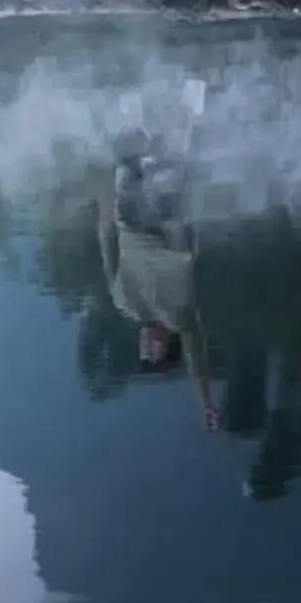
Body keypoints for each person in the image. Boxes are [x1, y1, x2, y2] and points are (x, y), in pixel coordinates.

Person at [100, 76, 217, 429]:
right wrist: (206, 405)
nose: (146, 344)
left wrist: (103, 217)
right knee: (175, 164)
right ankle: (193, 93)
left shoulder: (123, 303)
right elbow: (198, 363)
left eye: (143, 350)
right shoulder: (182, 321)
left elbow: (108, 254)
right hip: (168, 227)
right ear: (169, 344)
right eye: (154, 351)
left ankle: (134, 95)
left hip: (130, 219)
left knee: (130, 162)